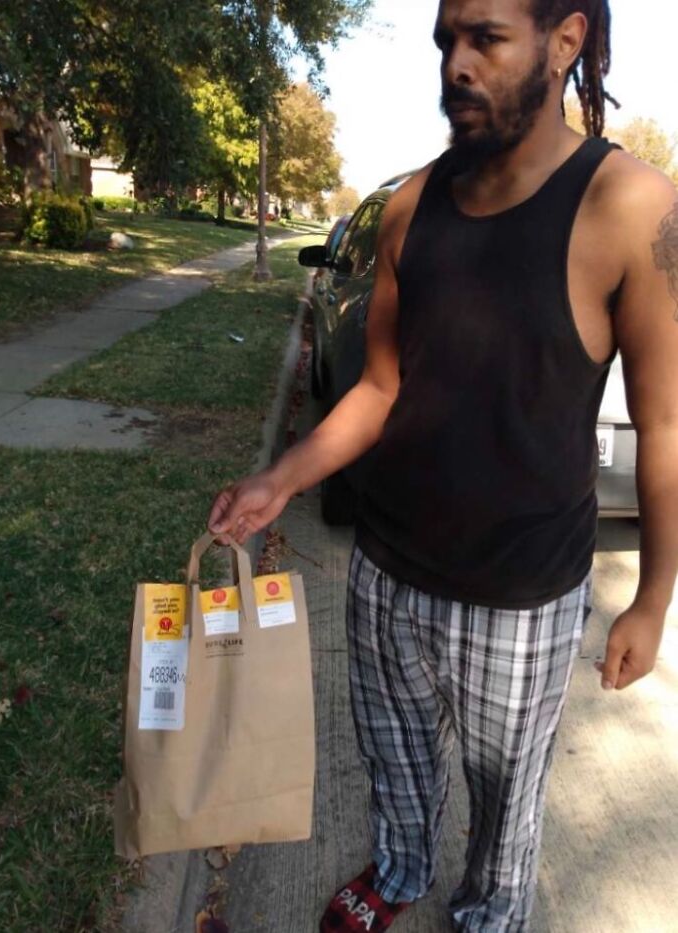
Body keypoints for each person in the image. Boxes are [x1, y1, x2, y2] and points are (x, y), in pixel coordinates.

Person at [208, 0, 678, 929]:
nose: (457, 64)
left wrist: (654, 597)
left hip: (523, 597)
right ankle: (400, 867)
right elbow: (380, 387)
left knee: (505, 811)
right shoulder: (410, 209)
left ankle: (488, 913)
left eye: (487, 39)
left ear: (567, 39)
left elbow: (663, 423)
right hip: (385, 574)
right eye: (446, 42)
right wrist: (282, 478)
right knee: (395, 762)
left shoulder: (630, 207)